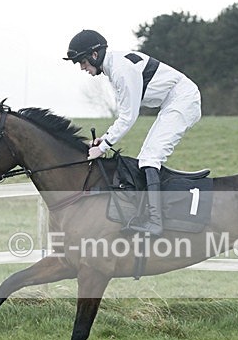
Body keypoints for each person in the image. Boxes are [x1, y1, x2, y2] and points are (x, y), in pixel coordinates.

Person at [63, 29, 202, 236]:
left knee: (150, 158)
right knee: (146, 158)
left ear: (94, 54)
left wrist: (102, 147)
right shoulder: (114, 68)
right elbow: (124, 114)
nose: (82, 68)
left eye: (82, 61)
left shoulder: (120, 70)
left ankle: (155, 221)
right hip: (173, 102)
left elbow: (129, 117)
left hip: (183, 100)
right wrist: (106, 138)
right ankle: (150, 215)